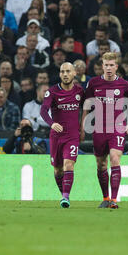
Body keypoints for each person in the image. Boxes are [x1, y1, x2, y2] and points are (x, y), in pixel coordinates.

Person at [81, 52, 128, 209]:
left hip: (117, 127)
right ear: (102, 66)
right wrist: (82, 126)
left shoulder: (124, 84)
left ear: (116, 67)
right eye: (106, 65)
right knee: (101, 165)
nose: (108, 68)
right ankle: (105, 197)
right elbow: (86, 105)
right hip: (99, 128)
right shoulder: (93, 83)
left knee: (114, 158)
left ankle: (114, 199)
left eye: (111, 65)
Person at [40, 62, 85, 208]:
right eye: (62, 72)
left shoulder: (79, 92)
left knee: (68, 164)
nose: (65, 74)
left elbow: (86, 108)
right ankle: (63, 194)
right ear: (60, 74)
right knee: (58, 169)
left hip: (72, 136)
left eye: (68, 71)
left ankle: (66, 197)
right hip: (56, 136)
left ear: (74, 73)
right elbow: (43, 110)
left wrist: (82, 127)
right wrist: (52, 123)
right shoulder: (52, 92)